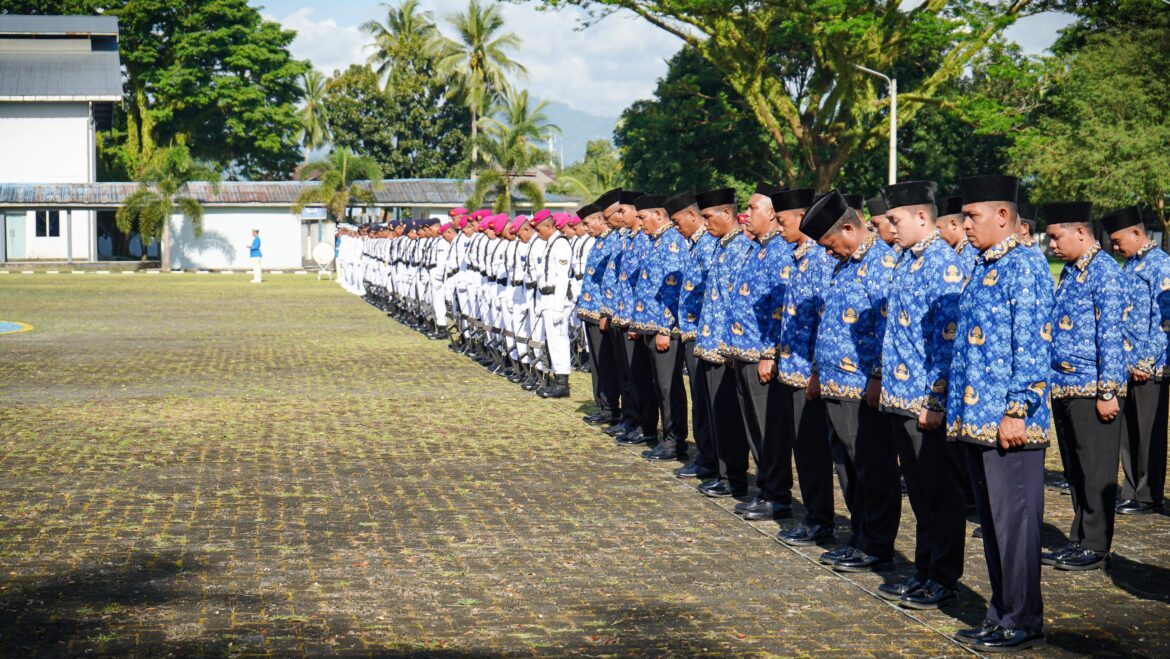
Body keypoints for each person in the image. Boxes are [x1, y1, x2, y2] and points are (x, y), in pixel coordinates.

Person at [948, 174, 1052, 652]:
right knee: (993, 526)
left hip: (1010, 424)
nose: (965, 225)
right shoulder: (983, 265)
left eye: (973, 216)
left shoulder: (1025, 267)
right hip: (977, 421)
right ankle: (1000, 612)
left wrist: (1017, 409)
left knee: (1015, 528)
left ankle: (1023, 618)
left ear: (1003, 217)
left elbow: (1032, 347)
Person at [873, 181, 967, 609]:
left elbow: (947, 344)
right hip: (899, 396)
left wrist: (935, 401)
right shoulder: (906, 261)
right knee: (920, 491)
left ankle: (944, 576)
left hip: (925, 403)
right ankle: (924, 569)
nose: (891, 229)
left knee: (939, 493)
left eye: (895, 220)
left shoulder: (944, 266)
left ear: (922, 218)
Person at [800, 190, 901, 573]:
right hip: (834, 383)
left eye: (830, 244)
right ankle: (859, 536)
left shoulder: (882, 263)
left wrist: (876, 376)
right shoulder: (845, 264)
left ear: (848, 227)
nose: (828, 252)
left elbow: (887, 328)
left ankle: (877, 544)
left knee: (873, 468)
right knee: (848, 468)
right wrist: (816, 372)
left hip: (863, 388)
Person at [1041, 201, 1126, 572]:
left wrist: (1107, 391)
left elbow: (1111, 333)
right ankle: (1079, 537)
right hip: (1065, 385)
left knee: (1096, 468)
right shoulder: (1073, 271)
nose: (1052, 246)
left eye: (1057, 237)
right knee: (1076, 467)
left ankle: (1095, 543)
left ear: (1081, 232)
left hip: (1091, 387)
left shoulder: (1103, 271)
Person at [724, 183, 795, 520]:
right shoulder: (759, 248)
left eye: (753, 208)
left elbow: (778, 308)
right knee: (755, 426)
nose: (746, 214)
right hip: (744, 350)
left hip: (760, 355)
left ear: (771, 214)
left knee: (770, 431)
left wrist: (769, 353)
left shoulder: (780, 250)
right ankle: (766, 488)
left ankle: (777, 495)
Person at [772, 188, 837, 546]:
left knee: (813, 453)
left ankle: (821, 521)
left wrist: (815, 372)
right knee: (804, 450)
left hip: (809, 373)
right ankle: (814, 516)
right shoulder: (800, 257)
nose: (780, 228)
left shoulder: (819, 260)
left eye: (783, 221)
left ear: (800, 218)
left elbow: (824, 324)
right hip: (792, 369)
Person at [1106, 205, 1170, 516]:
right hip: (1125, 365)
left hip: (1151, 366)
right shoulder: (1129, 266)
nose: (1116, 248)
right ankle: (1132, 490)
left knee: (1149, 434)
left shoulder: (1161, 265)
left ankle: (1149, 495)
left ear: (1136, 232)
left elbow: (1165, 321)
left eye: (1119, 241)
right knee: (1128, 434)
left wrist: (1145, 361)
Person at [692, 187, 755, 498]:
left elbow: (739, 304)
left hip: (726, 347)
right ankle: (721, 472)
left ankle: (734, 477)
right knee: (715, 414)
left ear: (727, 214)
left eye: (708, 217)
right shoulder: (721, 246)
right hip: (710, 343)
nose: (705, 224)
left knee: (729, 418)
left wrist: (731, 344)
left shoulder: (742, 248)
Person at [629, 194, 690, 462]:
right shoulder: (656, 242)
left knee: (668, 388)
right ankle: (667, 436)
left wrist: (666, 329)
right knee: (658, 386)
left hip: (664, 329)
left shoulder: (672, 243)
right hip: (650, 326)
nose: (640, 223)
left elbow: (674, 290)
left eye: (643, 217)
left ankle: (674, 440)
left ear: (658, 215)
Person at [667, 191, 720, 480]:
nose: (676, 228)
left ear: (692, 215)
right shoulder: (695, 244)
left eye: (677, 221)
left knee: (705, 402)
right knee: (699, 401)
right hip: (692, 333)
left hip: (704, 334)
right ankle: (705, 457)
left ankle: (710, 460)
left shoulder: (710, 244)